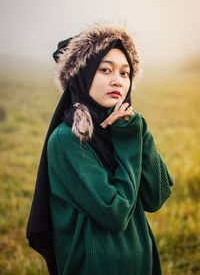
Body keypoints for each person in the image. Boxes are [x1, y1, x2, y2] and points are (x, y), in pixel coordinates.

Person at [26, 23, 174, 275]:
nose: (118, 81)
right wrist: (128, 143)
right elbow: (115, 214)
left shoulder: (123, 127)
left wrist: (139, 132)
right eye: (105, 70)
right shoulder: (67, 140)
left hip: (143, 264)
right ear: (82, 75)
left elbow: (156, 197)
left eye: (125, 73)